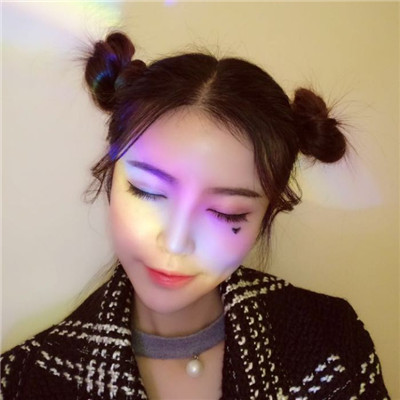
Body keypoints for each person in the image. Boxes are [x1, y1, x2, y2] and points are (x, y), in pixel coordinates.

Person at [0, 31, 390, 400]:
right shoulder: (21, 381)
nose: (175, 242)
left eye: (226, 213)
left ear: (265, 216)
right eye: (148, 191)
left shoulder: (333, 342)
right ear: (110, 178)